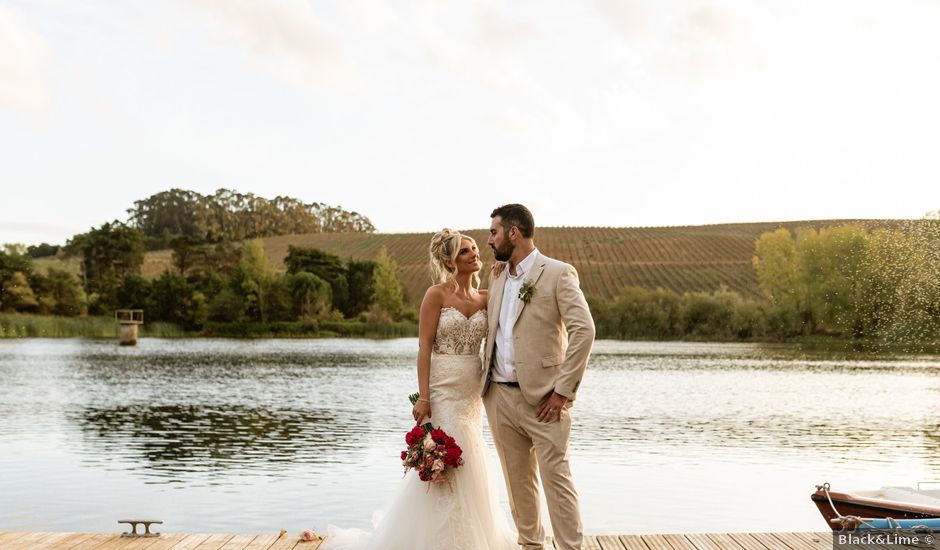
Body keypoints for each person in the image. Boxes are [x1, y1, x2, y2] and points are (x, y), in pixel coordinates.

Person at [322, 228, 518, 550]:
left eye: (473, 249)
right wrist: (423, 397)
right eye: (466, 251)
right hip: (442, 392)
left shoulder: (486, 297)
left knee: (471, 457)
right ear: (450, 260)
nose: (475, 254)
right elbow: (424, 348)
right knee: (442, 460)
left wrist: (499, 280)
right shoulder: (436, 295)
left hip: (472, 396)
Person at [482, 204, 595, 550]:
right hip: (499, 397)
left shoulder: (559, 274)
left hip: (547, 400)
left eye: (494, 232)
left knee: (556, 481)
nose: (489, 240)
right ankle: (530, 546)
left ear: (513, 233)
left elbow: (584, 331)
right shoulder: (498, 274)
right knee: (519, 486)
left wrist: (563, 392)